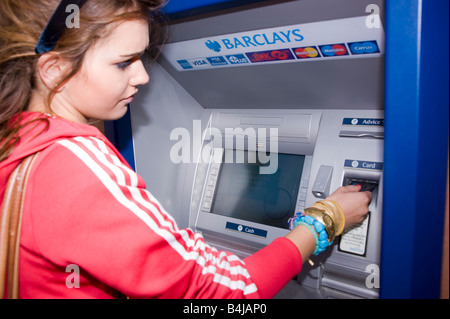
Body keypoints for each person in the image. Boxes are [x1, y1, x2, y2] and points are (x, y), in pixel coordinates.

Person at [0, 0, 372, 299]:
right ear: (52, 70)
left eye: (141, 60)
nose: (144, 77)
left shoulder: (17, 142)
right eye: (123, 63)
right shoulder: (76, 164)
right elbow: (227, 291)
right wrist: (326, 217)